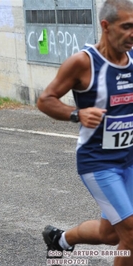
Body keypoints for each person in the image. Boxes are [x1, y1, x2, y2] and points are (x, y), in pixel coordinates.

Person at [37, 0, 133, 265]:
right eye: (126, 27)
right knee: (131, 235)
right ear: (106, 26)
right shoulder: (83, 62)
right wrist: (76, 114)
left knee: (110, 234)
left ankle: (61, 240)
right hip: (98, 162)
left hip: (129, 159)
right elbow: (45, 99)